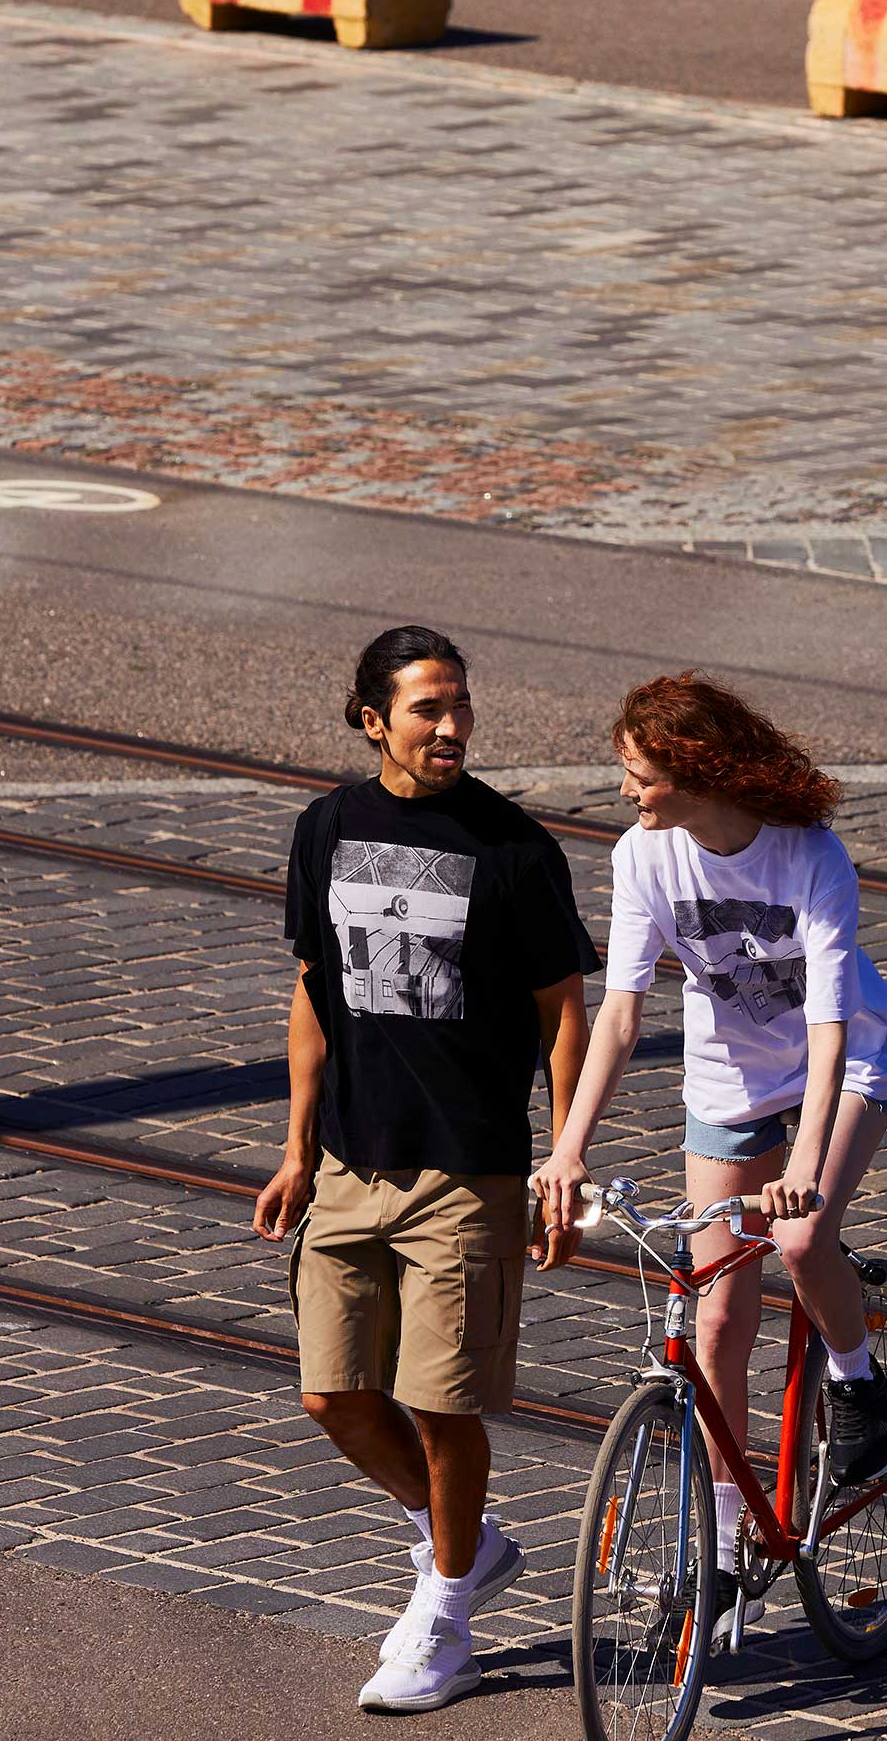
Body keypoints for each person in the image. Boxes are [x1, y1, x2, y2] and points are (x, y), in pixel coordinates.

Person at [254, 624, 599, 1713]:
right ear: (373, 721)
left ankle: (445, 1619)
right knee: (334, 1395)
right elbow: (316, 987)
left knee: (444, 1405)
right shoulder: (327, 827)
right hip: (354, 1161)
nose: (451, 727)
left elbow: (563, 1011)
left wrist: (561, 1157)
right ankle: (462, 1543)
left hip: (469, 1169)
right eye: (426, 710)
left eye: (460, 706)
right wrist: (298, 1145)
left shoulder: (511, 848)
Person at [533, 671, 887, 1644]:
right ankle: (731, 1544)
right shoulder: (642, 856)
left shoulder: (808, 857)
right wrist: (568, 1146)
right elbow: (619, 1013)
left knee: (799, 1238)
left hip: (848, 1060)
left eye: (639, 772)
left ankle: (860, 1376)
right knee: (716, 1320)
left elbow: (828, 1030)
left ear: (693, 768)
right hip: (731, 1084)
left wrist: (810, 1166)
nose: (626, 790)